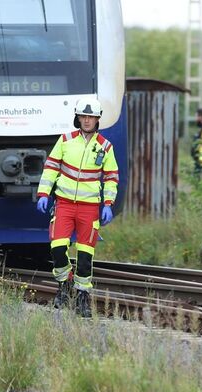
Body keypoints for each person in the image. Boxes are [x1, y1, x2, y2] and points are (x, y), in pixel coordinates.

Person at [36, 98, 120, 317]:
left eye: (91, 117)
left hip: (89, 208)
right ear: (77, 117)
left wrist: (108, 204)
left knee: (85, 256)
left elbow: (111, 177)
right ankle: (64, 284)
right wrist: (44, 193)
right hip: (63, 204)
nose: (87, 120)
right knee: (57, 248)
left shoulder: (105, 147)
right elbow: (51, 168)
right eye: (83, 116)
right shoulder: (65, 140)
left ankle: (82, 296)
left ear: (97, 119)